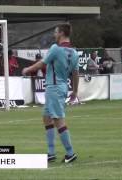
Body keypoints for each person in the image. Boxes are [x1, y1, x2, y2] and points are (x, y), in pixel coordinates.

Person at [22, 23, 79, 163]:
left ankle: (70, 153)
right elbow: (76, 73)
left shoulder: (56, 48)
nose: (54, 34)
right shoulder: (74, 52)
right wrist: (75, 91)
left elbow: (42, 63)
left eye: (55, 32)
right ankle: (51, 152)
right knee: (46, 117)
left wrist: (28, 69)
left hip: (54, 87)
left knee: (58, 119)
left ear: (61, 33)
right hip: (62, 86)